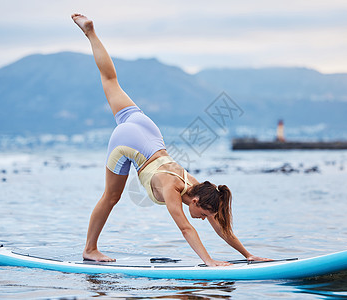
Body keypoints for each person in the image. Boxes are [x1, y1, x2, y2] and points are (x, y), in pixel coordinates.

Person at [71, 13, 271, 266]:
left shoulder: (201, 189)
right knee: (111, 197)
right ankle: (89, 249)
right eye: (203, 214)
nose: (201, 218)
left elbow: (220, 226)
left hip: (148, 131)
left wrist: (247, 255)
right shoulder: (173, 189)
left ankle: (90, 32)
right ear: (195, 202)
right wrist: (209, 262)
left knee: (111, 80)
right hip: (129, 143)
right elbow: (187, 229)